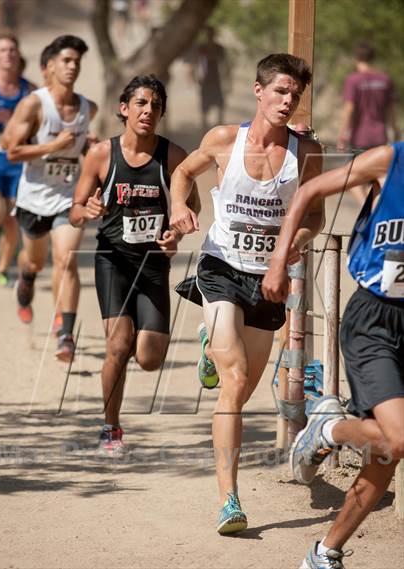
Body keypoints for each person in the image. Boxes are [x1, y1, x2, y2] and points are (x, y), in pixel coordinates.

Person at [169, 53, 324, 534]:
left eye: (294, 95)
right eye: (280, 91)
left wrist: (294, 243)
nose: (287, 100)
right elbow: (181, 174)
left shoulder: (306, 152)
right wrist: (178, 206)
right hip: (219, 267)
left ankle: (211, 349)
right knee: (234, 380)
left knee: (242, 389)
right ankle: (229, 500)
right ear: (258, 91)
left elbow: (314, 216)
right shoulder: (223, 140)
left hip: (269, 281)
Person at [262, 143, 404, 568]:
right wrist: (277, 260)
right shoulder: (391, 160)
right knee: (397, 439)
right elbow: (308, 192)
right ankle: (330, 428)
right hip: (374, 321)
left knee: (386, 455)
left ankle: (324, 553)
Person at [69, 74, 200, 455]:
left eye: (155, 106)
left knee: (149, 358)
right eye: (141, 103)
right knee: (118, 344)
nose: (148, 111)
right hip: (113, 260)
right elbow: (75, 209)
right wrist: (86, 209)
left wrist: (176, 232)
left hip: (153, 265)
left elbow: (191, 208)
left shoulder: (172, 157)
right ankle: (111, 428)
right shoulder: (101, 155)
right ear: (124, 109)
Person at [2, 35, 97, 362]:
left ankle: (65, 333)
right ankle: (25, 278)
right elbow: (12, 150)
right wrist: (52, 147)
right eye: (67, 60)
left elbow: (85, 145)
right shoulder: (33, 104)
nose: (73, 66)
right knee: (36, 261)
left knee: (67, 259)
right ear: (50, 66)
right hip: (32, 200)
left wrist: (89, 147)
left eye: (77, 61)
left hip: (67, 198)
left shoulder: (88, 108)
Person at [0, 33, 34, 287]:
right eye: (2, 50)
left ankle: (3, 268)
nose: (7, 54)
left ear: (18, 54)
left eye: (12, 49)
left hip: (17, 166)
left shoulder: (29, 90)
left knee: (12, 220)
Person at [337, 42, 400, 206]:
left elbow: (349, 108)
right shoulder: (385, 79)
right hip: (380, 136)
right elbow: (390, 109)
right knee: (375, 179)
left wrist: (343, 133)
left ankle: (368, 210)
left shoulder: (353, 80)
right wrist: (396, 131)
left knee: (350, 177)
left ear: (356, 58)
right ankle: (375, 210)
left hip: (360, 137)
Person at [189, 26, 230, 130]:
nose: (209, 36)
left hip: (216, 79)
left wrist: (227, 80)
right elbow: (195, 62)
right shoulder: (201, 48)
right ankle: (204, 128)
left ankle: (219, 126)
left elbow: (225, 65)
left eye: (211, 34)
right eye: (208, 34)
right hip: (205, 80)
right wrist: (195, 76)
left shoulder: (219, 48)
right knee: (205, 105)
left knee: (219, 104)